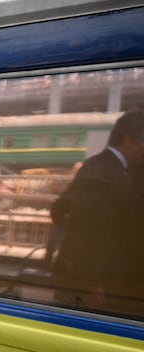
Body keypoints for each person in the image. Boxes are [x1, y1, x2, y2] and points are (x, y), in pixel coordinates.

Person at [51, 109, 144, 319]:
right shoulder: (103, 172)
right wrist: (92, 283)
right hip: (98, 281)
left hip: (106, 277)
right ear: (129, 139)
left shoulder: (105, 167)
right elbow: (87, 230)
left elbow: (60, 210)